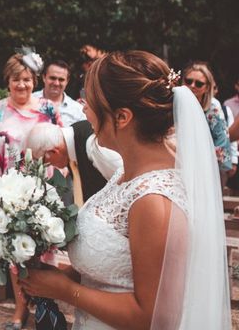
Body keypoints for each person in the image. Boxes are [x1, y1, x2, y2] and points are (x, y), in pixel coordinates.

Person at [18, 50, 231, 329]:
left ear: (122, 117)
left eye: (91, 102)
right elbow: (118, 266)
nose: (83, 109)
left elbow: (154, 317)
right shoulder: (124, 173)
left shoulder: (153, 201)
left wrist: (66, 291)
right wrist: (60, 275)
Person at [0, 50, 59, 330]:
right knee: (15, 251)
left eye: (26, 79)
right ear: (7, 81)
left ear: (34, 80)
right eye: (15, 80)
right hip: (5, 193)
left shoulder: (47, 109)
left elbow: (60, 148)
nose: (21, 85)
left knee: (43, 250)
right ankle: (19, 311)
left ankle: (44, 306)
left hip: (40, 191)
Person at [28, 121, 122, 205]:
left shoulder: (92, 145)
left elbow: (128, 180)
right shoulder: (69, 148)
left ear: (54, 151)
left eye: (43, 161)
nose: (47, 165)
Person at [182, 62, 233, 183]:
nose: (192, 85)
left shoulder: (213, 106)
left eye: (199, 83)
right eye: (188, 81)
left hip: (206, 166)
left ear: (207, 87)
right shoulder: (175, 102)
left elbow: (221, 138)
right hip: (178, 162)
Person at [33, 60, 86, 127]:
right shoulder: (29, 101)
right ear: (44, 77)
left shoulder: (78, 111)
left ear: (67, 81)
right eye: (52, 78)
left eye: (61, 80)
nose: (56, 83)